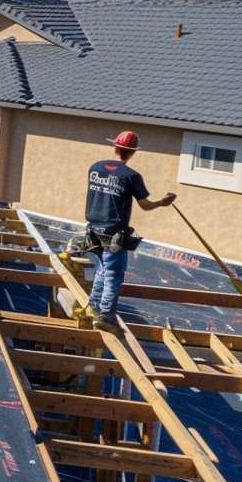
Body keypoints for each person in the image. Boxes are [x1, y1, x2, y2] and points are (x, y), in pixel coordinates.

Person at [80, 131, 175, 332]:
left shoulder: (94, 168)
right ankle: (106, 316)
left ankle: (94, 308)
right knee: (113, 275)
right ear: (132, 153)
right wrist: (162, 203)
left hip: (93, 231)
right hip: (113, 233)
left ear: (115, 147)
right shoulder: (131, 176)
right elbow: (145, 205)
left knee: (102, 270)